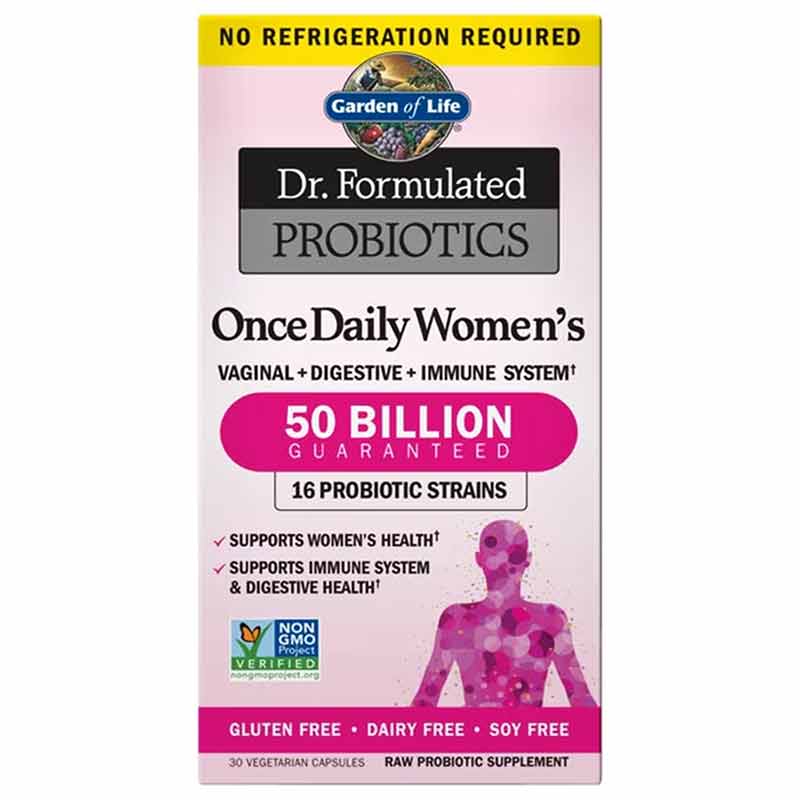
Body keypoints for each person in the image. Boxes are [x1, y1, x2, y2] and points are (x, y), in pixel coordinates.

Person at [411, 520, 596, 707]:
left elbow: (424, 702)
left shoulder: (457, 619)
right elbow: (582, 701)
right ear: (528, 560)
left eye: (512, 554)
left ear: (478, 559)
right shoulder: (550, 619)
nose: (502, 560)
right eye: (495, 552)